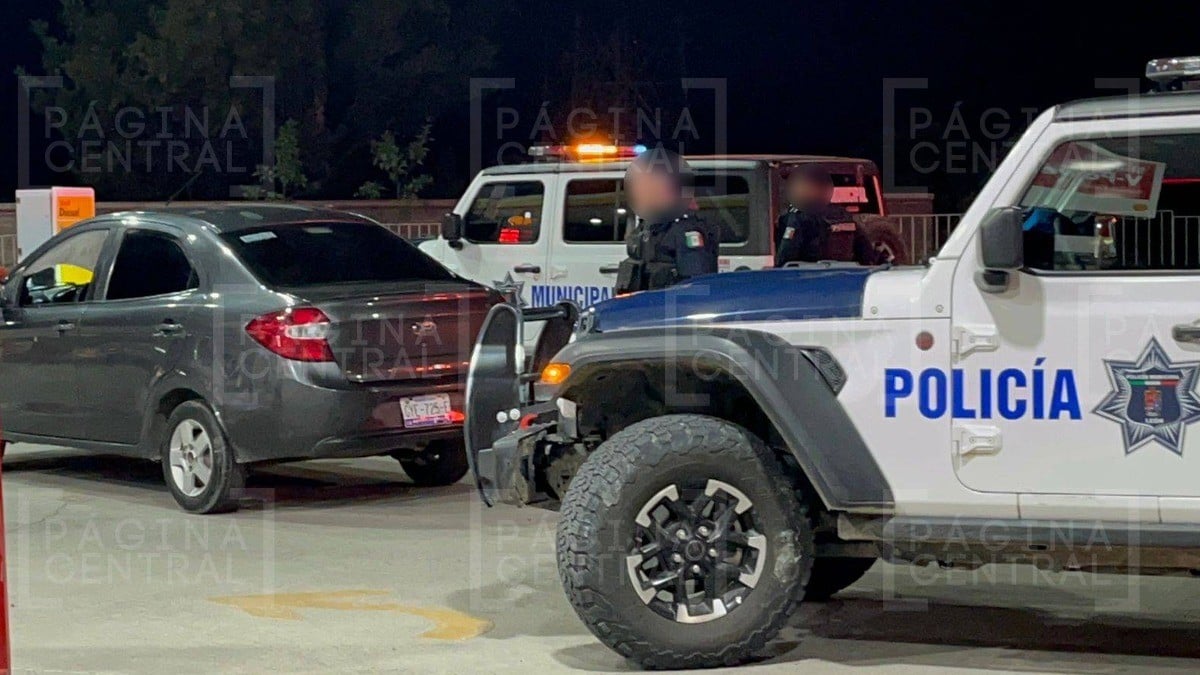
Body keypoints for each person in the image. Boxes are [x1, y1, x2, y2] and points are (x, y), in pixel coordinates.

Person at [615, 147, 720, 293]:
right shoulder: (649, 226)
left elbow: (695, 286)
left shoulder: (686, 231)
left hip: (670, 310)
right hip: (645, 307)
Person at [775, 164, 881, 267]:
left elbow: (786, 255)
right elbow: (866, 253)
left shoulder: (800, 216)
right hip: (841, 275)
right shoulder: (842, 213)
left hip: (808, 277)